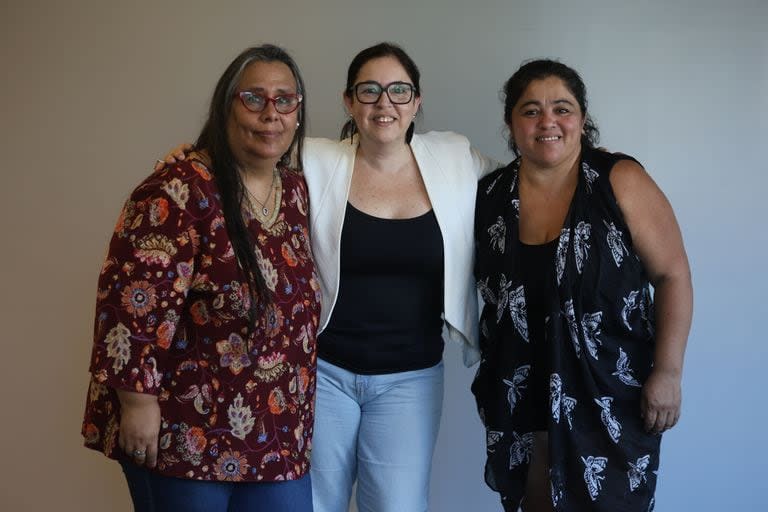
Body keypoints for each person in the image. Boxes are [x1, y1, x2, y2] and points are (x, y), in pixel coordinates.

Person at [159, 42, 499, 512]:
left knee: (399, 506)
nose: (385, 103)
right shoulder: (315, 160)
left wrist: (585, 165)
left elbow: (519, 184)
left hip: (411, 377)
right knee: (314, 504)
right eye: (370, 91)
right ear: (348, 101)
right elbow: (246, 158)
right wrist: (194, 158)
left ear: (416, 101)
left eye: (399, 91)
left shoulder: (454, 157)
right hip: (324, 370)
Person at [82, 44, 320, 512]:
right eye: (254, 98)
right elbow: (131, 303)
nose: (271, 113)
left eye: (285, 99)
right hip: (184, 436)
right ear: (225, 105)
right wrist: (136, 405)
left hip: (277, 438)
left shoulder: (295, 191)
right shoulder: (177, 189)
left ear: (298, 111)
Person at [473, 59, 692, 511]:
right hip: (522, 392)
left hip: (611, 395)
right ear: (511, 123)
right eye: (531, 110)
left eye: (562, 108)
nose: (547, 121)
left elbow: (673, 275)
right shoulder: (489, 196)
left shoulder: (619, 181)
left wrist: (668, 372)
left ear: (582, 119)